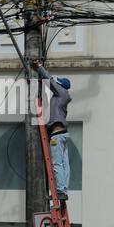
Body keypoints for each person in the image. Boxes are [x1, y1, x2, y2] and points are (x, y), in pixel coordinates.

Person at [32, 58, 72, 201]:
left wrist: (39, 67)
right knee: (65, 164)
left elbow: (50, 80)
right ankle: (64, 189)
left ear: (61, 86)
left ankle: (61, 190)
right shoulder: (62, 98)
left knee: (57, 163)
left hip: (56, 135)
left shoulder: (61, 93)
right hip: (63, 134)